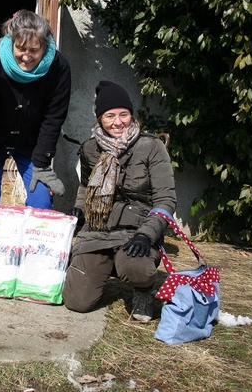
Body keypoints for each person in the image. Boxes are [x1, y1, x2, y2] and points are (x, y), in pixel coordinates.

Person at [62, 81, 176, 322]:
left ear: (131, 115)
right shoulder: (90, 149)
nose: (118, 122)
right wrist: (80, 210)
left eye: (123, 114)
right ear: (99, 119)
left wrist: (147, 234)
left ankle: (143, 290)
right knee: (77, 302)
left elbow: (166, 199)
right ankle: (104, 266)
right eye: (110, 115)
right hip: (99, 231)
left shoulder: (151, 147)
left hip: (136, 231)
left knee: (138, 269)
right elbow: (85, 185)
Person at [0, 9, 71, 209]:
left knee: (41, 199)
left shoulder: (59, 67)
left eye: (34, 50)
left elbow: (54, 117)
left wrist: (42, 163)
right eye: (20, 48)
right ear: (11, 42)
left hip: (33, 144)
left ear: (45, 47)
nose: (26, 57)